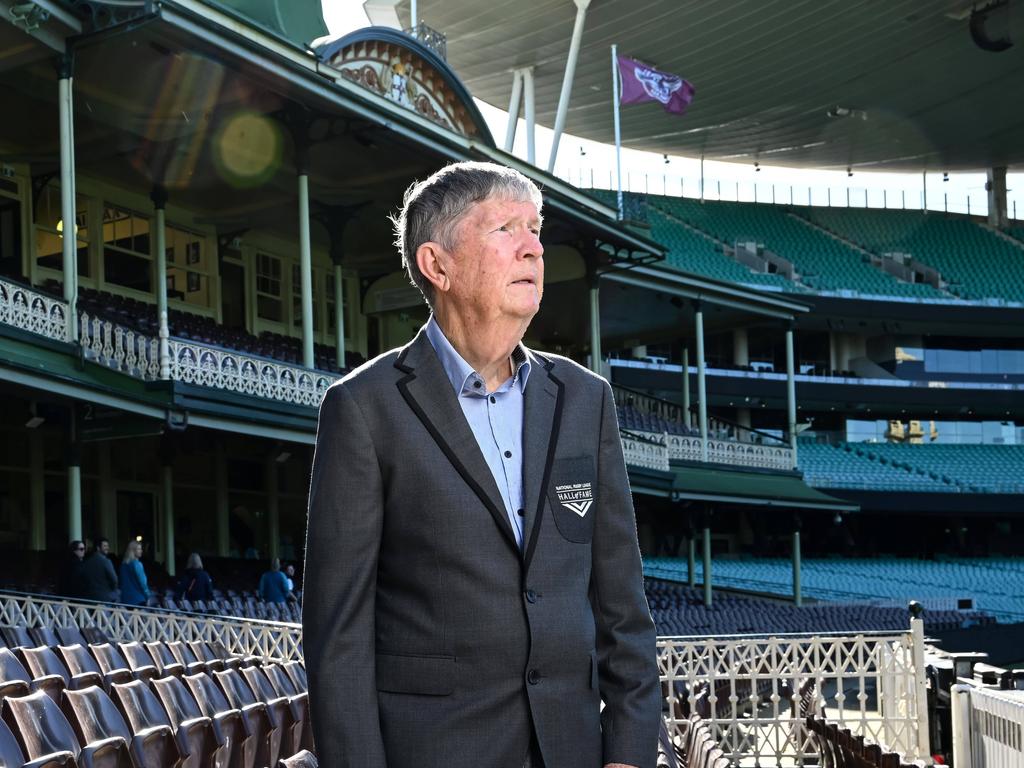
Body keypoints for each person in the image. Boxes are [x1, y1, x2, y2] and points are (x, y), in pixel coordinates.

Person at [304, 162, 660, 768]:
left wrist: (628, 753)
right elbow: (337, 638)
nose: (533, 248)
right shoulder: (363, 408)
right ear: (437, 265)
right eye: (504, 228)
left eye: (536, 228)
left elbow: (622, 605)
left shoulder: (585, 399)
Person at [80, 536, 118, 602]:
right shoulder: (106, 561)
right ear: (98, 548)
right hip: (105, 598)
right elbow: (114, 580)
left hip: (90, 598)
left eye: (107, 546)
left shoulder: (87, 562)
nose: (107, 548)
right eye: (105, 546)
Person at [119, 540, 150, 606]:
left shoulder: (123, 565)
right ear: (133, 550)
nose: (141, 551)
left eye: (141, 549)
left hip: (125, 600)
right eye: (138, 549)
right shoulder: (137, 564)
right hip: (138, 599)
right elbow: (143, 583)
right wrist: (148, 596)